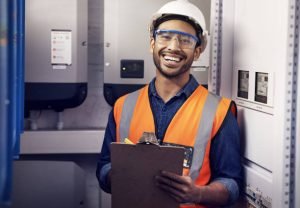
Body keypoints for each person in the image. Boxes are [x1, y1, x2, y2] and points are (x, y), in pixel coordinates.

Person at [96, 0, 242, 207]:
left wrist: (197, 194)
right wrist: (119, 175)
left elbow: (232, 183)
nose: (173, 47)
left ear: (198, 51)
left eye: (185, 40)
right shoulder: (122, 106)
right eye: (165, 36)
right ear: (152, 44)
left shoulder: (219, 111)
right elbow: (103, 167)